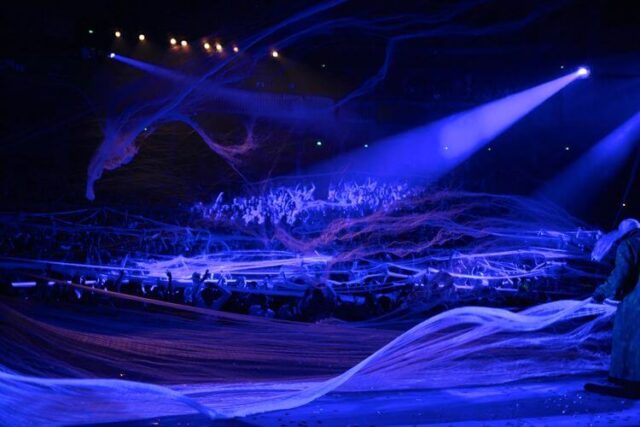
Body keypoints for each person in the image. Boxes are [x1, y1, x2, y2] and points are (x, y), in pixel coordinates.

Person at [589, 218, 640, 397]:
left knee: (627, 339)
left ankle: (627, 379)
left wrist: (601, 292)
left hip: (634, 303)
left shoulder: (628, 245)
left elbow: (620, 275)